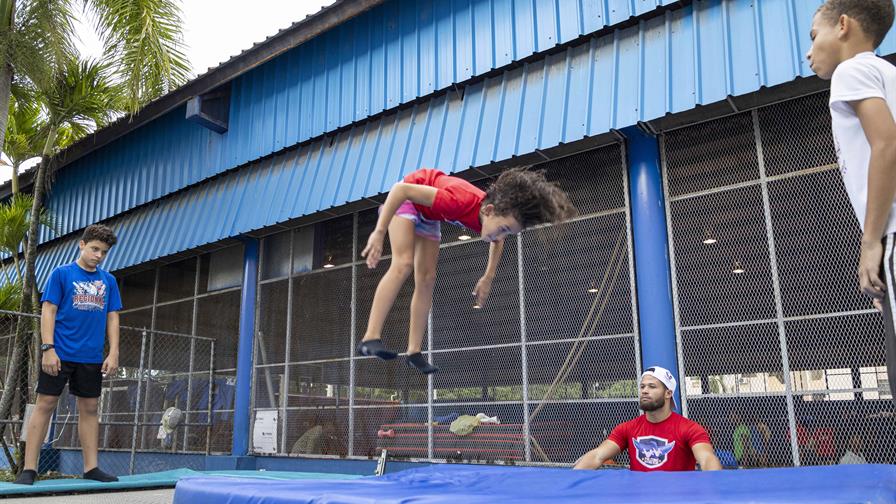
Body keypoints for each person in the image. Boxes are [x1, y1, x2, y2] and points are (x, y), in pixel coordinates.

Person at [358, 167, 576, 374]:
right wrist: (379, 232)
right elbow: (400, 190)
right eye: (503, 229)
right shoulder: (458, 202)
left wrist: (488, 277)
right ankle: (370, 337)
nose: (501, 236)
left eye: (508, 233)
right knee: (403, 263)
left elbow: (497, 242)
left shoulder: (487, 218)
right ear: (488, 211)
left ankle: (414, 351)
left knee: (427, 278)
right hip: (405, 199)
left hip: (430, 214)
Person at [807, 0, 896, 400]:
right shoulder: (888, 73)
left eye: (813, 37)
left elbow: (887, 144)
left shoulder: (852, 69)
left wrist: (872, 241)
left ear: (842, 26)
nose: (809, 51)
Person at [15, 224, 122, 485]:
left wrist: (114, 353)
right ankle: (29, 469)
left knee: (90, 408)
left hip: (92, 357)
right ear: (82, 245)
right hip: (60, 354)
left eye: (104, 252)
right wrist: (48, 348)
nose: (98, 255)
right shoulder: (61, 274)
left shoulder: (109, 281)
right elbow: (48, 311)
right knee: (45, 405)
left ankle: (91, 468)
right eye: (95, 249)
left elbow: (112, 317)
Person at [572, 366, 722, 471]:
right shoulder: (626, 428)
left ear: (668, 393)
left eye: (652, 386)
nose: (644, 391)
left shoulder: (690, 428)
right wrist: (568, 485)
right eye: (642, 386)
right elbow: (597, 456)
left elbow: (706, 459)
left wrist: (717, 488)